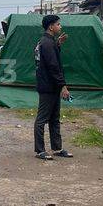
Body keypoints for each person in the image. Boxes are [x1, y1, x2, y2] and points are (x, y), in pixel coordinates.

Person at [33, 15, 73, 160]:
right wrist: (63, 86)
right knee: (42, 119)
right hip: (48, 86)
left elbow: (48, 59)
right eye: (58, 24)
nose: (60, 27)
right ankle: (40, 150)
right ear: (51, 26)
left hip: (50, 86)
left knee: (54, 118)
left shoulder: (46, 42)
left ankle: (57, 148)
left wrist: (58, 44)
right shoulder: (47, 43)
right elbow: (53, 66)